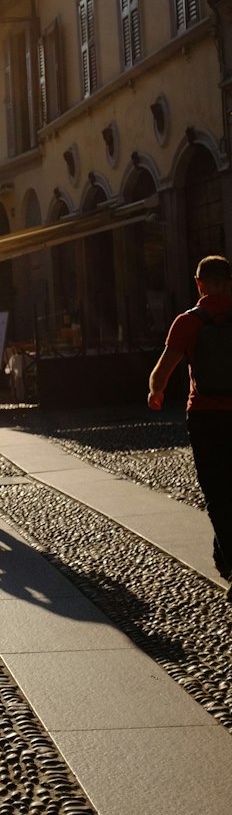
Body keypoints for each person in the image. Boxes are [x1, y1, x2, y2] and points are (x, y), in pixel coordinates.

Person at [148, 254, 232, 599]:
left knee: (217, 492)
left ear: (199, 283)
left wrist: (156, 392)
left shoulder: (188, 321)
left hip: (206, 415)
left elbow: (162, 370)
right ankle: (223, 555)